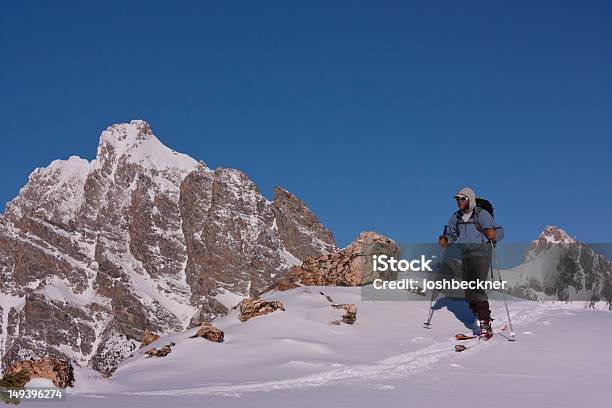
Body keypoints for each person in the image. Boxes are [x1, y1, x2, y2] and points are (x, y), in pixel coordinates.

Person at [438, 187, 504, 339]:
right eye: (457, 199)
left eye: (462, 199)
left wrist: (493, 235)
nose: (459, 202)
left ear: (470, 199)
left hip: (481, 254)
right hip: (466, 255)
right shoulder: (456, 217)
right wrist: (445, 240)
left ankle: (485, 324)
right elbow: (451, 234)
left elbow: (499, 231)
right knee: (468, 293)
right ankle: (480, 315)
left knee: (477, 287)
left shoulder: (482, 214)